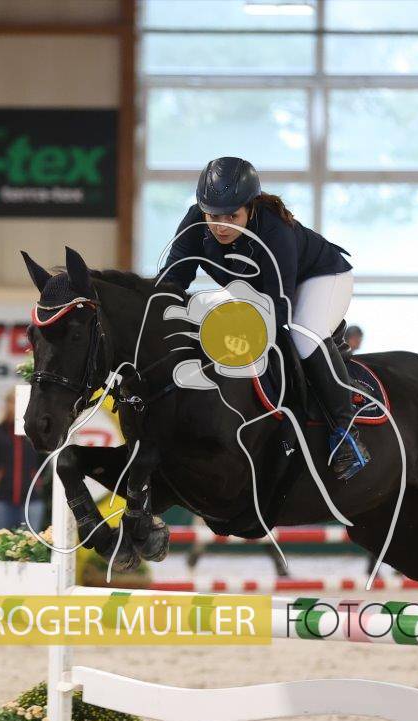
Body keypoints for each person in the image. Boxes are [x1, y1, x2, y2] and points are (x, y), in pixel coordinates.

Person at [158, 156, 370, 480]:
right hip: (265, 291)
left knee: (303, 334)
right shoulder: (194, 223)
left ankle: (346, 432)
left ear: (251, 207)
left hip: (321, 278)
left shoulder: (274, 229)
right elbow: (171, 281)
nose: (222, 225)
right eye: (213, 216)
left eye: (233, 216)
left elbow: (277, 308)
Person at [0, 389, 46, 531]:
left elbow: (43, 459)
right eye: (12, 402)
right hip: (1, 499)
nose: (15, 406)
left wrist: (36, 479)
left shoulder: (36, 434)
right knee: (1, 542)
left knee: (30, 542)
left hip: (31, 500)